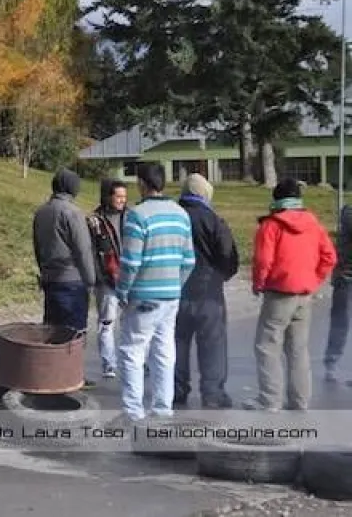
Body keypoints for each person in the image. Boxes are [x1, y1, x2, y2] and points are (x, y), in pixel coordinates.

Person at [115, 162, 195, 422]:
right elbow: (188, 261)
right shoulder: (181, 214)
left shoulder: (137, 216)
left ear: (141, 184)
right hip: (171, 296)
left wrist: (123, 291)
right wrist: (175, 284)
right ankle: (162, 409)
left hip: (143, 296)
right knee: (163, 352)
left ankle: (133, 412)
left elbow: (130, 262)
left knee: (133, 351)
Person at [248, 178, 336, 411]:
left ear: (276, 199)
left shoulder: (271, 225)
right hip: (304, 293)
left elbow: (263, 260)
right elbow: (330, 257)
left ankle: (270, 399)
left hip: (278, 293)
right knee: (298, 349)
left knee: (267, 345)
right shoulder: (313, 223)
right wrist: (314, 280)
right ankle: (300, 401)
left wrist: (259, 283)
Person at [173, 174, 239, 409]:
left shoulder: (173, 217)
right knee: (213, 344)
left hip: (176, 292)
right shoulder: (213, 220)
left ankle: (176, 389)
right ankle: (213, 393)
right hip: (209, 293)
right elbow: (228, 256)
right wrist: (221, 276)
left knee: (177, 343)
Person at [32, 168, 97, 334]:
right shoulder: (72, 213)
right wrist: (91, 280)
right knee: (73, 336)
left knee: (52, 333)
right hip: (72, 282)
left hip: (49, 279)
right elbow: (83, 249)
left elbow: (37, 247)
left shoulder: (41, 212)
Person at [87, 178, 128, 379]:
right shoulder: (94, 221)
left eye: (124, 197)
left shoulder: (131, 217)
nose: (122, 200)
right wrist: (97, 277)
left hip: (129, 279)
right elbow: (91, 252)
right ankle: (109, 364)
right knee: (106, 324)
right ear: (107, 196)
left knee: (134, 322)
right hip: (106, 280)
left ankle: (140, 361)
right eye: (118, 196)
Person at [325, 205, 352, 382]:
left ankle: (332, 361)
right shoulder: (349, 213)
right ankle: (331, 362)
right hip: (346, 276)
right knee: (341, 321)